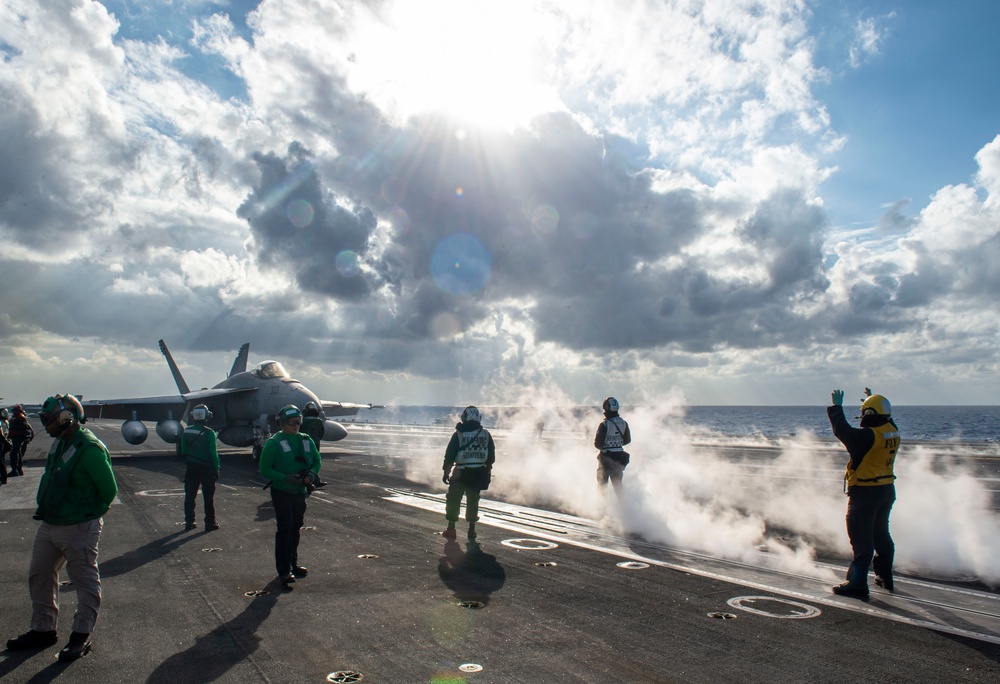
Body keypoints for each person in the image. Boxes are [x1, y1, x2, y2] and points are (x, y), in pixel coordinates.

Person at [6, 394, 117, 662]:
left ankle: (80, 635)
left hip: (78, 527)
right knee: (39, 574)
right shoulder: (60, 444)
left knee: (84, 582)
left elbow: (108, 490)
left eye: (49, 419)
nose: (45, 424)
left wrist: (88, 517)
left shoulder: (89, 449)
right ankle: (43, 629)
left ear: (66, 418)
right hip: (51, 523)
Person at [827, 388, 900, 600]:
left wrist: (836, 408)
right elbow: (885, 418)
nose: (861, 417)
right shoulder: (892, 431)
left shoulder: (866, 437)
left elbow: (842, 431)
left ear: (869, 415)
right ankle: (885, 576)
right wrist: (872, 400)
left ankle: (857, 583)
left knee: (861, 539)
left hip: (866, 493)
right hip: (886, 490)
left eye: (864, 413)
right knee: (881, 535)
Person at [258, 405, 322, 586]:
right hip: (282, 491)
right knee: (285, 529)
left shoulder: (306, 440)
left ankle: (293, 564)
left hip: (299, 492)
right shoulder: (274, 443)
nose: (295, 426)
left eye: (298, 422)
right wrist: (285, 478)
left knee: (296, 527)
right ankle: (284, 570)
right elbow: (264, 469)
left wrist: (311, 474)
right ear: (282, 424)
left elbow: (317, 460)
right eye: (291, 423)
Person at [441, 406, 495, 542]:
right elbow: (491, 457)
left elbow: (450, 455)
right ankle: (471, 531)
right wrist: (487, 470)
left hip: (461, 472)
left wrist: (446, 472)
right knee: (473, 501)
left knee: (453, 500)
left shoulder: (458, 434)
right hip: (478, 473)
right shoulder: (486, 434)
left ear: (464, 418)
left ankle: (451, 528)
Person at [179, 404, 220, 531]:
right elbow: (214, 453)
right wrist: (216, 468)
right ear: (207, 416)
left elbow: (183, 449)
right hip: (207, 468)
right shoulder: (209, 432)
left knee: (190, 496)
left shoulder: (187, 430)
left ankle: (189, 522)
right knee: (208, 498)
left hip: (191, 467)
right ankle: (210, 523)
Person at [594, 397, 631, 494]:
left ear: (606, 407)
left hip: (606, 457)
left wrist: (607, 445)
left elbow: (597, 444)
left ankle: (602, 506)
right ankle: (623, 505)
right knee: (618, 485)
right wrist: (617, 444)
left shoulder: (605, 424)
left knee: (602, 484)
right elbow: (627, 440)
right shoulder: (624, 423)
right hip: (619, 457)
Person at [8, 404, 34, 476]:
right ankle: (18, 470)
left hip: (18, 437)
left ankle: (15, 470)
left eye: (15, 411)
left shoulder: (20, 418)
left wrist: (12, 426)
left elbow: (23, 428)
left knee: (14, 453)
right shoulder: (16, 418)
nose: (14, 412)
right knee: (18, 453)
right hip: (17, 437)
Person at [0, 407, 11, 485]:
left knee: (1, 460)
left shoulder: (2, 422)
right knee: (2, 459)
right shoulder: (5, 422)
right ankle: (3, 478)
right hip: (4, 442)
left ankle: (3, 478)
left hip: (2, 442)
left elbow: (1, 434)